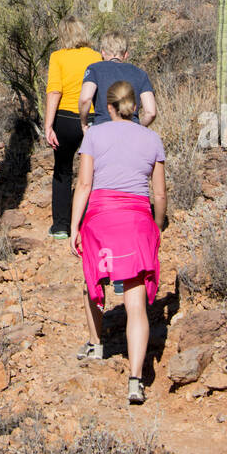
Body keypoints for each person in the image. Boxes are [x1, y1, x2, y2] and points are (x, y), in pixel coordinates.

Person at [70, 80, 166, 405]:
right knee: (136, 305)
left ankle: (97, 344)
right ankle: (136, 379)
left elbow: (84, 184)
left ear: (108, 107)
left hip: (101, 219)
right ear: (135, 107)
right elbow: (161, 194)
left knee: (93, 281)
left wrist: (74, 226)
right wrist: (158, 226)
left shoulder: (94, 135)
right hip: (138, 220)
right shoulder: (152, 138)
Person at [44, 16, 103, 240]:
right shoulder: (96, 56)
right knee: (94, 172)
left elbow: (54, 91)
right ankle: (89, 221)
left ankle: (61, 226)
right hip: (93, 118)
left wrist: (49, 125)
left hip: (65, 119)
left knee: (62, 170)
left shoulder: (57, 57)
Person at [78, 31, 156, 131]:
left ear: (103, 52)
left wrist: (84, 124)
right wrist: (139, 128)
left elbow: (85, 99)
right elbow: (151, 112)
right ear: (126, 54)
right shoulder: (140, 74)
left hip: (102, 130)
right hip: (131, 131)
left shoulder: (94, 69)